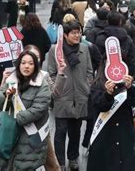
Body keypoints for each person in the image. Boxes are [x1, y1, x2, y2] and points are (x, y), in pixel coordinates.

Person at [47, 20, 93, 170]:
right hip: (62, 97)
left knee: (76, 130)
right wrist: (56, 88)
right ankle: (60, 162)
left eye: (79, 32)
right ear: (65, 35)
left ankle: (73, 158)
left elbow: (89, 71)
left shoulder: (84, 49)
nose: (77, 35)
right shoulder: (55, 50)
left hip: (80, 96)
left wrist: (87, 86)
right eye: (73, 32)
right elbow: (51, 74)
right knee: (60, 131)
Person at [0, 50, 52, 170]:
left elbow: (38, 109)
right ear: (19, 65)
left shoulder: (42, 85)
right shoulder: (11, 80)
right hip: (9, 136)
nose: (26, 66)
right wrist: (7, 96)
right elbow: (0, 104)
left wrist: (17, 118)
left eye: (31, 63)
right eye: (23, 63)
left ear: (36, 66)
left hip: (30, 139)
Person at [86, 66, 135, 171]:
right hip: (104, 136)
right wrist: (108, 94)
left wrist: (130, 88)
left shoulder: (127, 85)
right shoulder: (97, 85)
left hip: (125, 135)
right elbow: (101, 106)